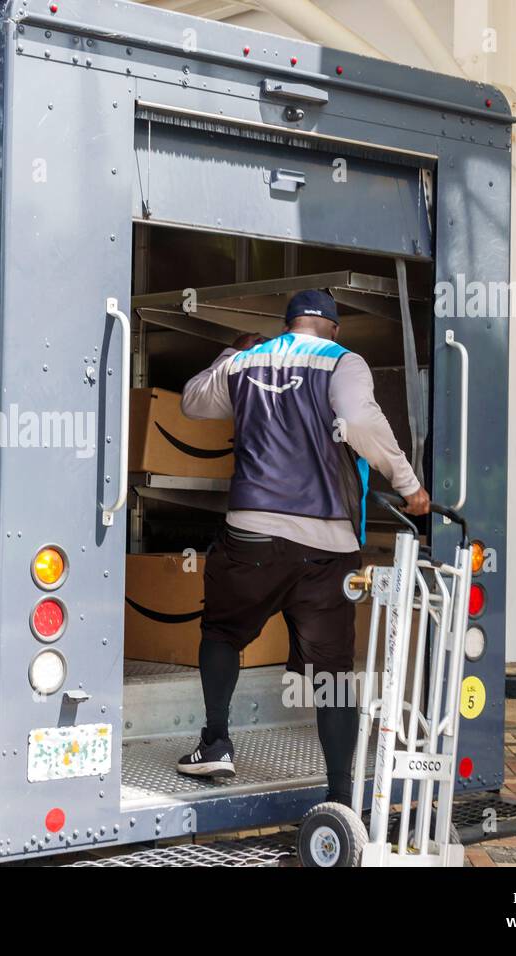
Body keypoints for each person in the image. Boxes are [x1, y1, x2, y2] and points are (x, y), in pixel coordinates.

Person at [174, 288, 429, 805]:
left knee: (223, 630)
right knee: (334, 671)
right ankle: (341, 796)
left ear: (287, 323)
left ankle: (216, 741)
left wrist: (231, 352)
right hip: (327, 544)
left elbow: (192, 401)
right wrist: (408, 484)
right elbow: (358, 422)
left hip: (254, 535)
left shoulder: (246, 361)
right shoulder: (344, 361)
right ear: (332, 327)